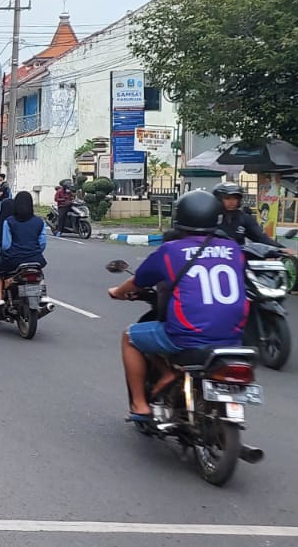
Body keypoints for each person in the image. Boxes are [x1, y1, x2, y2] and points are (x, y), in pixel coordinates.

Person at [107, 189, 247, 424]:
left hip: (187, 336)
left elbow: (138, 282)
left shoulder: (171, 250)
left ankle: (140, 404)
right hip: (233, 337)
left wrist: (117, 292)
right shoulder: (233, 249)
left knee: (130, 337)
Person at [0, 190, 47, 310]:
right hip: (35, 257)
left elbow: (6, 245)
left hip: (13, 258)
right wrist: (34, 252)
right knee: (38, 271)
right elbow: (42, 243)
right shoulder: (39, 221)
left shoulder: (9, 221)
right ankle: (43, 294)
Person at [213, 181, 279, 246]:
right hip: (213, 251)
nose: (231, 202)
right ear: (219, 199)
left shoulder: (244, 218)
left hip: (237, 252)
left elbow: (260, 237)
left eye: (235, 198)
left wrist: (280, 248)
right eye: (227, 198)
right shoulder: (211, 216)